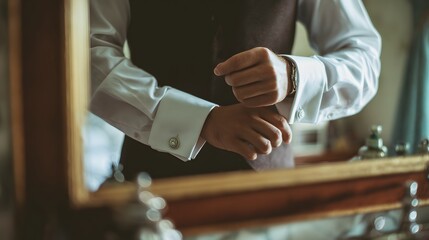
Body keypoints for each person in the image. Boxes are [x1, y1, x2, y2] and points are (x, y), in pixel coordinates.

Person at [89, 0, 381, 181]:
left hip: (269, 191)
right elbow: (87, 55)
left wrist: (293, 75)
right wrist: (201, 122)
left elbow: (363, 57)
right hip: (155, 188)